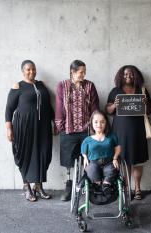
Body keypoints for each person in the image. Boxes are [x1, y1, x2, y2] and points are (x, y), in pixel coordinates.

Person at [5, 60, 53, 202]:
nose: (31, 72)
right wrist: (8, 128)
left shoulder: (41, 85)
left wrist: (54, 121)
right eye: (28, 70)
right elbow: (9, 109)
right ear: (23, 71)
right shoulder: (18, 86)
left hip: (42, 126)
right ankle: (26, 186)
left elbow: (48, 106)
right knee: (25, 154)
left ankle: (38, 186)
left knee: (44, 153)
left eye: (33, 69)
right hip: (23, 127)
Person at [106, 65, 151, 200]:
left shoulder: (142, 90)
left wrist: (145, 103)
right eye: (125, 74)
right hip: (120, 131)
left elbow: (150, 110)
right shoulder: (116, 91)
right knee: (123, 160)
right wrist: (114, 105)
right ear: (121, 76)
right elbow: (108, 110)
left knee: (138, 161)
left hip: (138, 130)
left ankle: (138, 189)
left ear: (136, 76)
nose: (128, 77)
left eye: (131, 74)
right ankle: (126, 188)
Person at [55, 60, 99, 201]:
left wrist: (95, 127)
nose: (83, 74)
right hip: (68, 129)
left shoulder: (90, 86)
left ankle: (87, 184)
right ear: (72, 72)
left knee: (89, 158)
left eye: (84, 72)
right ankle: (69, 186)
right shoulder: (62, 86)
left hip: (86, 130)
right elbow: (59, 106)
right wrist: (60, 126)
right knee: (69, 160)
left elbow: (95, 107)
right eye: (81, 72)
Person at [81, 110, 121, 196]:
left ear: (106, 123)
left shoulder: (112, 136)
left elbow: (118, 147)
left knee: (111, 170)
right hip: (94, 162)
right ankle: (97, 185)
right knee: (91, 170)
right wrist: (85, 158)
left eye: (102, 122)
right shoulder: (88, 139)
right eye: (96, 122)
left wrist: (115, 158)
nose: (99, 125)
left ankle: (106, 185)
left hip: (109, 162)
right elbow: (83, 150)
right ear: (91, 123)